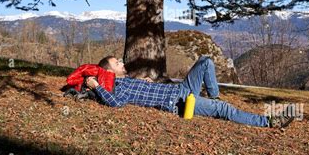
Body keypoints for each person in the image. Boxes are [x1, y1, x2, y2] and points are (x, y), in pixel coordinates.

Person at [85, 55, 295, 128]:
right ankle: (268, 122)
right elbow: (115, 102)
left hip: (179, 90)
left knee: (205, 61)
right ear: (108, 71)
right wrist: (96, 86)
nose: (122, 62)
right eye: (117, 62)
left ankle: (213, 97)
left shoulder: (127, 81)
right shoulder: (116, 87)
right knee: (224, 109)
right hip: (177, 102)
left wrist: (146, 83)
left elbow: (140, 90)